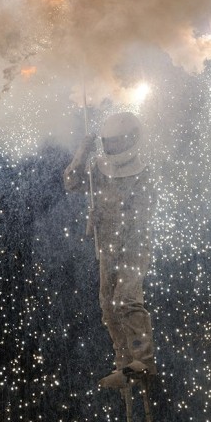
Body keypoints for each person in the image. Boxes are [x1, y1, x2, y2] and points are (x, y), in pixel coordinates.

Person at [64, 111, 156, 389]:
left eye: (118, 141)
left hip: (134, 245)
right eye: (110, 142)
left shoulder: (144, 173)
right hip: (108, 245)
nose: (113, 147)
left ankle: (143, 359)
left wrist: (107, 218)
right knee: (108, 305)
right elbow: (71, 182)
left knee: (126, 299)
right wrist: (82, 153)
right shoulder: (99, 168)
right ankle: (123, 363)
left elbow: (139, 218)